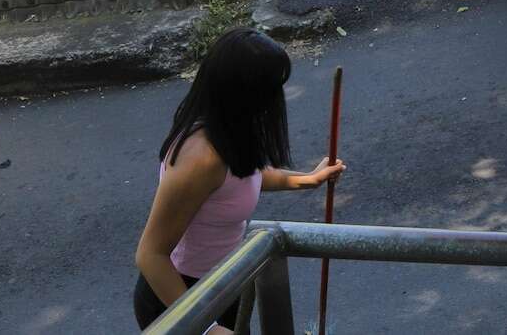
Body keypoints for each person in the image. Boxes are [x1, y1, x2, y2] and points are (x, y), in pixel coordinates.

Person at [133, 28, 347, 333]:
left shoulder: (229, 130)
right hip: (180, 298)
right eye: (273, 89)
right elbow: (150, 255)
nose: (278, 99)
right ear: (247, 94)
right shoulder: (201, 158)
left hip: (223, 284)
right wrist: (206, 327)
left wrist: (307, 180)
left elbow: (246, 176)